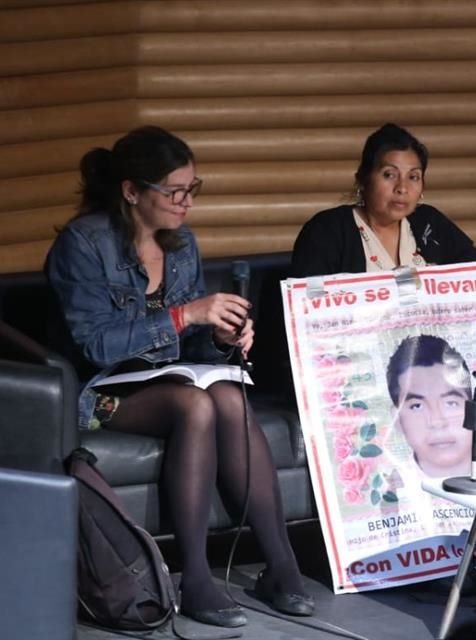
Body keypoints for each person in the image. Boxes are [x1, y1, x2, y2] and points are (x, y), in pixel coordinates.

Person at [45, 127, 314, 628]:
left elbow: (190, 347)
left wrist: (222, 338)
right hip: (98, 392)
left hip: (167, 377)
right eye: (174, 192)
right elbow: (94, 345)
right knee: (194, 404)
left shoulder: (182, 245)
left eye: (192, 189)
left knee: (227, 396)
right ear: (132, 191)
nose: (186, 202)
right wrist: (185, 314)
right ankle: (195, 576)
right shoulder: (84, 244)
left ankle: (281, 566)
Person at [291, 122, 476, 277]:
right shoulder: (327, 230)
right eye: (389, 175)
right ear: (363, 179)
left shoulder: (430, 222)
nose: (402, 188)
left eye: (413, 177)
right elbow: (307, 305)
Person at [386, 334, 473, 478]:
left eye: (450, 403)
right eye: (417, 406)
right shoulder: (388, 487)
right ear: (397, 420)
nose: (437, 422)